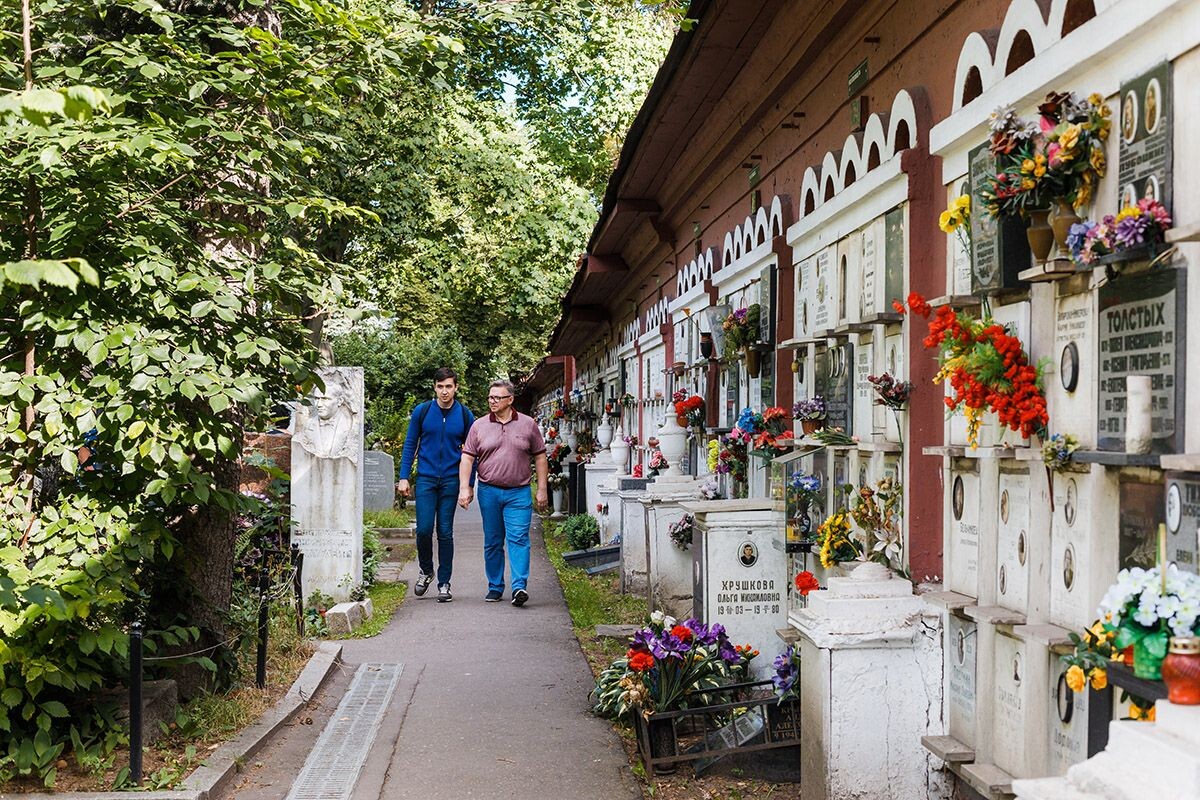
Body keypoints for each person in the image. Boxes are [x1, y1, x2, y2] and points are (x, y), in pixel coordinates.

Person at [458, 379, 548, 607]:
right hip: (489, 491)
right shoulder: (479, 426)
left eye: (497, 397)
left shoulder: (528, 424)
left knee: (518, 538)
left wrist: (542, 489)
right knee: (493, 541)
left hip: (519, 492)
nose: (492, 401)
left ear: (510, 400)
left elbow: (539, 456)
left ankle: (519, 587)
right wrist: (464, 487)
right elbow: (468, 457)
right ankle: (495, 586)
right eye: (490, 397)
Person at [398, 368, 475, 603]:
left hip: (451, 480)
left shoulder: (464, 414)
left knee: (444, 531)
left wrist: (469, 484)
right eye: (440, 387)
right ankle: (426, 571)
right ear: (435, 387)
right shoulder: (423, 412)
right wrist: (403, 477)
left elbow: (473, 451)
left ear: (456, 388)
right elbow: (411, 444)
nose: (444, 391)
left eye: (449, 386)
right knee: (423, 529)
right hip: (426, 479)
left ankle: (444, 582)